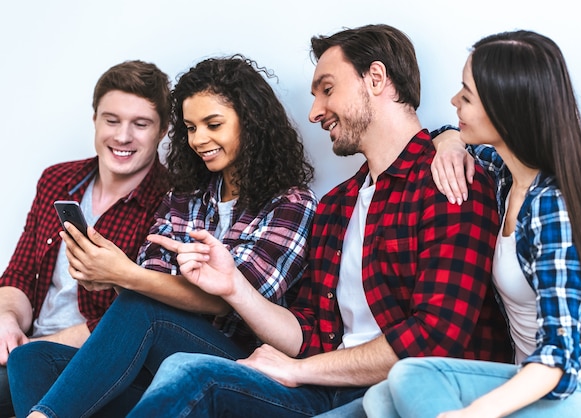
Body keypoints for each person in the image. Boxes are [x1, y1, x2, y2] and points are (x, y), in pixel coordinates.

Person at [122, 23, 512, 418]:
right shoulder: (337, 205)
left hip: (403, 395)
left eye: (327, 89)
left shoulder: (449, 181)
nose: (313, 113)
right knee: (185, 369)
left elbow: (432, 338)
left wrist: (299, 370)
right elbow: (308, 332)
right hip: (326, 387)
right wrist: (235, 288)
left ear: (376, 79)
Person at [10, 55, 317, 418]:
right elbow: (153, 273)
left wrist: (125, 274)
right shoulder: (183, 197)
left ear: (250, 124)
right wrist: (115, 274)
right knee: (32, 357)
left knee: (145, 307)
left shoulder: (291, 203)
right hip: (162, 354)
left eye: (212, 124)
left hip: (241, 361)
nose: (199, 139)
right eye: (190, 127)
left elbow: (230, 297)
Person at [363, 29, 581, 418]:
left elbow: (559, 357)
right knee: (385, 393)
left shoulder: (555, 207)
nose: (453, 101)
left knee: (405, 386)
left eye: (466, 96)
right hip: (531, 375)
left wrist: (475, 413)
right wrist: (451, 142)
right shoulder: (502, 175)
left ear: (506, 110)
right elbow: (434, 136)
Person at [0, 60, 171, 418]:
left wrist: (28, 348)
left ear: (163, 130)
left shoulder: (171, 201)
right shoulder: (57, 180)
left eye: (140, 124)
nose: (122, 136)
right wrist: (7, 320)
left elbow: (131, 319)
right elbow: (18, 275)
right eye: (112, 120)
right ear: (95, 119)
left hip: (95, 365)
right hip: (24, 346)